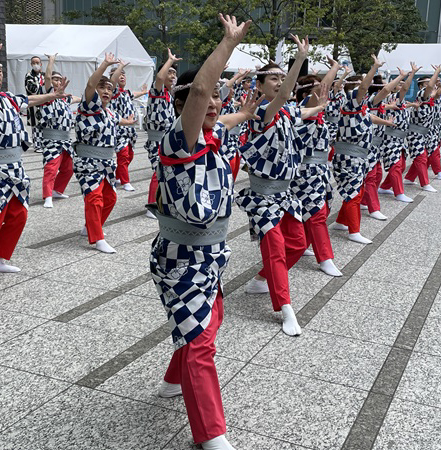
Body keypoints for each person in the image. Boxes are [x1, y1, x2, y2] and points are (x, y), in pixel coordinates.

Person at [149, 14, 256, 450]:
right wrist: (227, 45)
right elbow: (196, 90)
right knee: (200, 342)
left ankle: (172, 382)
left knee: (208, 323)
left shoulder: (217, 137)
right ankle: (212, 436)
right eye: (205, 98)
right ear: (183, 107)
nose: (212, 102)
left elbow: (231, 114)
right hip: (180, 259)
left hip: (211, 256)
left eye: (217, 97)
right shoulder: (179, 141)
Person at [0, 36, 69, 295]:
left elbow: (29, 100)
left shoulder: (7, 98)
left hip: (16, 169)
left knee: (18, 215)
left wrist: (53, 94)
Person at [238, 35, 330, 336]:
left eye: (281, 77)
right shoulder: (260, 113)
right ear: (261, 86)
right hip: (263, 196)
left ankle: (262, 279)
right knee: (276, 247)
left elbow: (300, 112)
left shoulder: (287, 111)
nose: (279, 82)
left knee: (299, 242)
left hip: (286, 194)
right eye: (273, 78)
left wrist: (320, 106)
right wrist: (300, 58)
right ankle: (286, 308)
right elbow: (285, 97)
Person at [292, 57, 342, 277]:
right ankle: (325, 257)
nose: (324, 93)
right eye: (317, 90)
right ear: (305, 96)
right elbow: (324, 87)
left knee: (319, 210)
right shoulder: (302, 109)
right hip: (305, 172)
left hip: (319, 171)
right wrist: (334, 69)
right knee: (318, 213)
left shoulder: (318, 113)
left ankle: (302, 245)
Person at [330, 55, 385, 245]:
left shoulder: (359, 107)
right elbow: (363, 87)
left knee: (354, 190)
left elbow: (379, 99)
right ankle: (354, 231)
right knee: (354, 193)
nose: (366, 86)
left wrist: (386, 122)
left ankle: (340, 222)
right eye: (362, 84)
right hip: (349, 156)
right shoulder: (351, 101)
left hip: (357, 156)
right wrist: (374, 68)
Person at [74, 54, 123, 254]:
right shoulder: (89, 107)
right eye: (102, 88)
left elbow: (122, 121)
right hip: (88, 162)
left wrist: (119, 68)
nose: (106, 91)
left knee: (110, 198)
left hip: (106, 162)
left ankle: (91, 227)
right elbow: (90, 84)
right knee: (94, 198)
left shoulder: (109, 113)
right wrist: (105, 65)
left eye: (109, 89)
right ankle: (97, 237)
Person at [360, 71, 407, 221]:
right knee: (372, 176)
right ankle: (374, 207)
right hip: (368, 145)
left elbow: (382, 106)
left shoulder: (377, 103)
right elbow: (387, 90)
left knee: (376, 174)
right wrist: (401, 77)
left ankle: (360, 202)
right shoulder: (371, 99)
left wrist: (389, 108)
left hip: (376, 145)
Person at [38, 53, 81, 209]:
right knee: (51, 168)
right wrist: (51, 61)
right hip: (51, 140)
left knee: (68, 168)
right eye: (55, 79)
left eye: (59, 79)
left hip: (65, 140)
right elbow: (47, 78)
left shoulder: (65, 99)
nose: (57, 81)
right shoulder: (48, 96)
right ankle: (47, 196)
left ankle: (56, 190)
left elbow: (78, 98)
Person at [144, 49, 180, 218]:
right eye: (170, 73)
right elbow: (159, 77)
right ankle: (151, 205)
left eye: (174, 73)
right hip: (156, 138)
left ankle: (162, 201)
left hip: (166, 138)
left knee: (164, 171)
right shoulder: (156, 91)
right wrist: (170, 61)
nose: (172, 76)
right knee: (157, 172)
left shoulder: (169, 94)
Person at [378, 62, 421, 203]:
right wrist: (411, 74)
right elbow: (406, 88)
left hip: (399, 139)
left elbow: (404, 103)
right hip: (390, 138)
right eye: (400, 83)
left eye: (403, 83)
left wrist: (412, 104)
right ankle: (399, 193)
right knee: (396, 165)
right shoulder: (393, 97)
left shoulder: (399, 101)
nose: (402, 85)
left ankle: (384, 187)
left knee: (401, 165)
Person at [404, 66, 441, 192]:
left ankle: (407, 179)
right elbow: (432, 88)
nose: (430, 85)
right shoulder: (421, 95)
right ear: (421, 86)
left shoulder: (430, 98)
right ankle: (425, 183)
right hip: (415, 133)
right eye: (427, 83)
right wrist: (436, 72)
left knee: (423, 156)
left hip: (424, 133)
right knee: (421, 157)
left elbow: (438, 92)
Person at [110, 68, 148, 191]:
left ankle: (116, 176)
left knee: (129, 155)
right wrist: (119, 67)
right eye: (118, 75)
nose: (121, 76)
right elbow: (113, 82)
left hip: (130, 131)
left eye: (123, 74)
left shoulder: (126, 92)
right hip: (119, 130)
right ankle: (125, 182)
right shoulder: (113, 92)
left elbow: (134, 94)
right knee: (123, 155)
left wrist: (143, 92)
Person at [25, 55, 44, 153]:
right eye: (34, 63)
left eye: (37, 63)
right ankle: (37, 145)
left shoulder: (43, 75)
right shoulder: (29, 76)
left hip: (44, 104)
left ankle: (43, 143)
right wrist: (42, 87)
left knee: (44, 124)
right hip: (34, 104)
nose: (36, 65)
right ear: (31, 64)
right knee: (36, 125)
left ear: (41, 64)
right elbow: (33, 90)